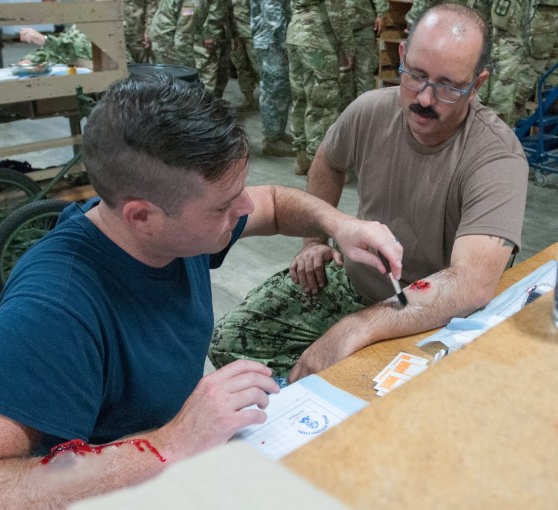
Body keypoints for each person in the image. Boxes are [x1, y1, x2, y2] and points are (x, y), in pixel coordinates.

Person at [0, 73, 403, 508]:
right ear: (142, 216)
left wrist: (339, 224)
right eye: (221, 207)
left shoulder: (174, 226)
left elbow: (274, 204)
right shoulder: (55, 308)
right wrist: (171, 443)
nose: (244, 207)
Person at [210, 4, 529, 383]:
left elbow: (469, 283)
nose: (424, 99)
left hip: (429, 314)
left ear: (476, 85)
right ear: (402, 56)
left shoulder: (496, 157)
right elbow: (327, 161)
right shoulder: (371, 111)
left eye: (448, 86)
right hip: (353, 281)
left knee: (391, 399)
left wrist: (357, 328)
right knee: (230, 343)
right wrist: (313, 241)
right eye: (416, 76)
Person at [286, 0, 353, 175]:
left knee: (300, 96)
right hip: (318, 38)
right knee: (323, 103)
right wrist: (348, 46)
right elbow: (336, 10)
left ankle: (302, 158)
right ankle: (321, 166)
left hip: (295, 34)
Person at [251, 0, 295, 157]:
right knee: (273, 90)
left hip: (273, 40)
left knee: (280, 90)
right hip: (273, 42)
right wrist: (284, 40)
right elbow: (271, 10)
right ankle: (271, 140)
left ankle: (278, 133)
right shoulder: (277, 37)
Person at [338, 0, 388, 111]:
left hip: (363, 26)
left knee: (365, 74)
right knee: (343, 76)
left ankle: (366, 114)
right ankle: (344, 118)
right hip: (339, 30)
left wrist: (381, 14)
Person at [230, 0, 260, 111]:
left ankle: (270, 100)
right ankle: (248, 99)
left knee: (259, 67)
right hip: (235, 35)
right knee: (241, 67)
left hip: (251, 34)